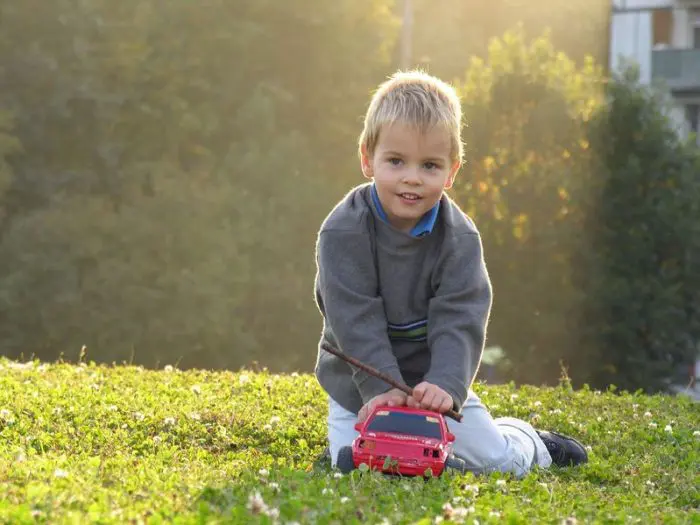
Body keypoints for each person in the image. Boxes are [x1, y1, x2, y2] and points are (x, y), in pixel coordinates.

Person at [313, 70, 587, 477]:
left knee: (496, 463)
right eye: (395, 161)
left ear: (452, 171)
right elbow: (355, 320)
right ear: (367, 158)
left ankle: (529, 442)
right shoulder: (342, 232)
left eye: (429, 165)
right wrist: (382, 389)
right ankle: (345, 451)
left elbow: (460, 316)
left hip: (431, 387)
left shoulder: (459, 238)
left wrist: (445, 384)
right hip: (360, 388)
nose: (412, 177)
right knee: (357, 469)